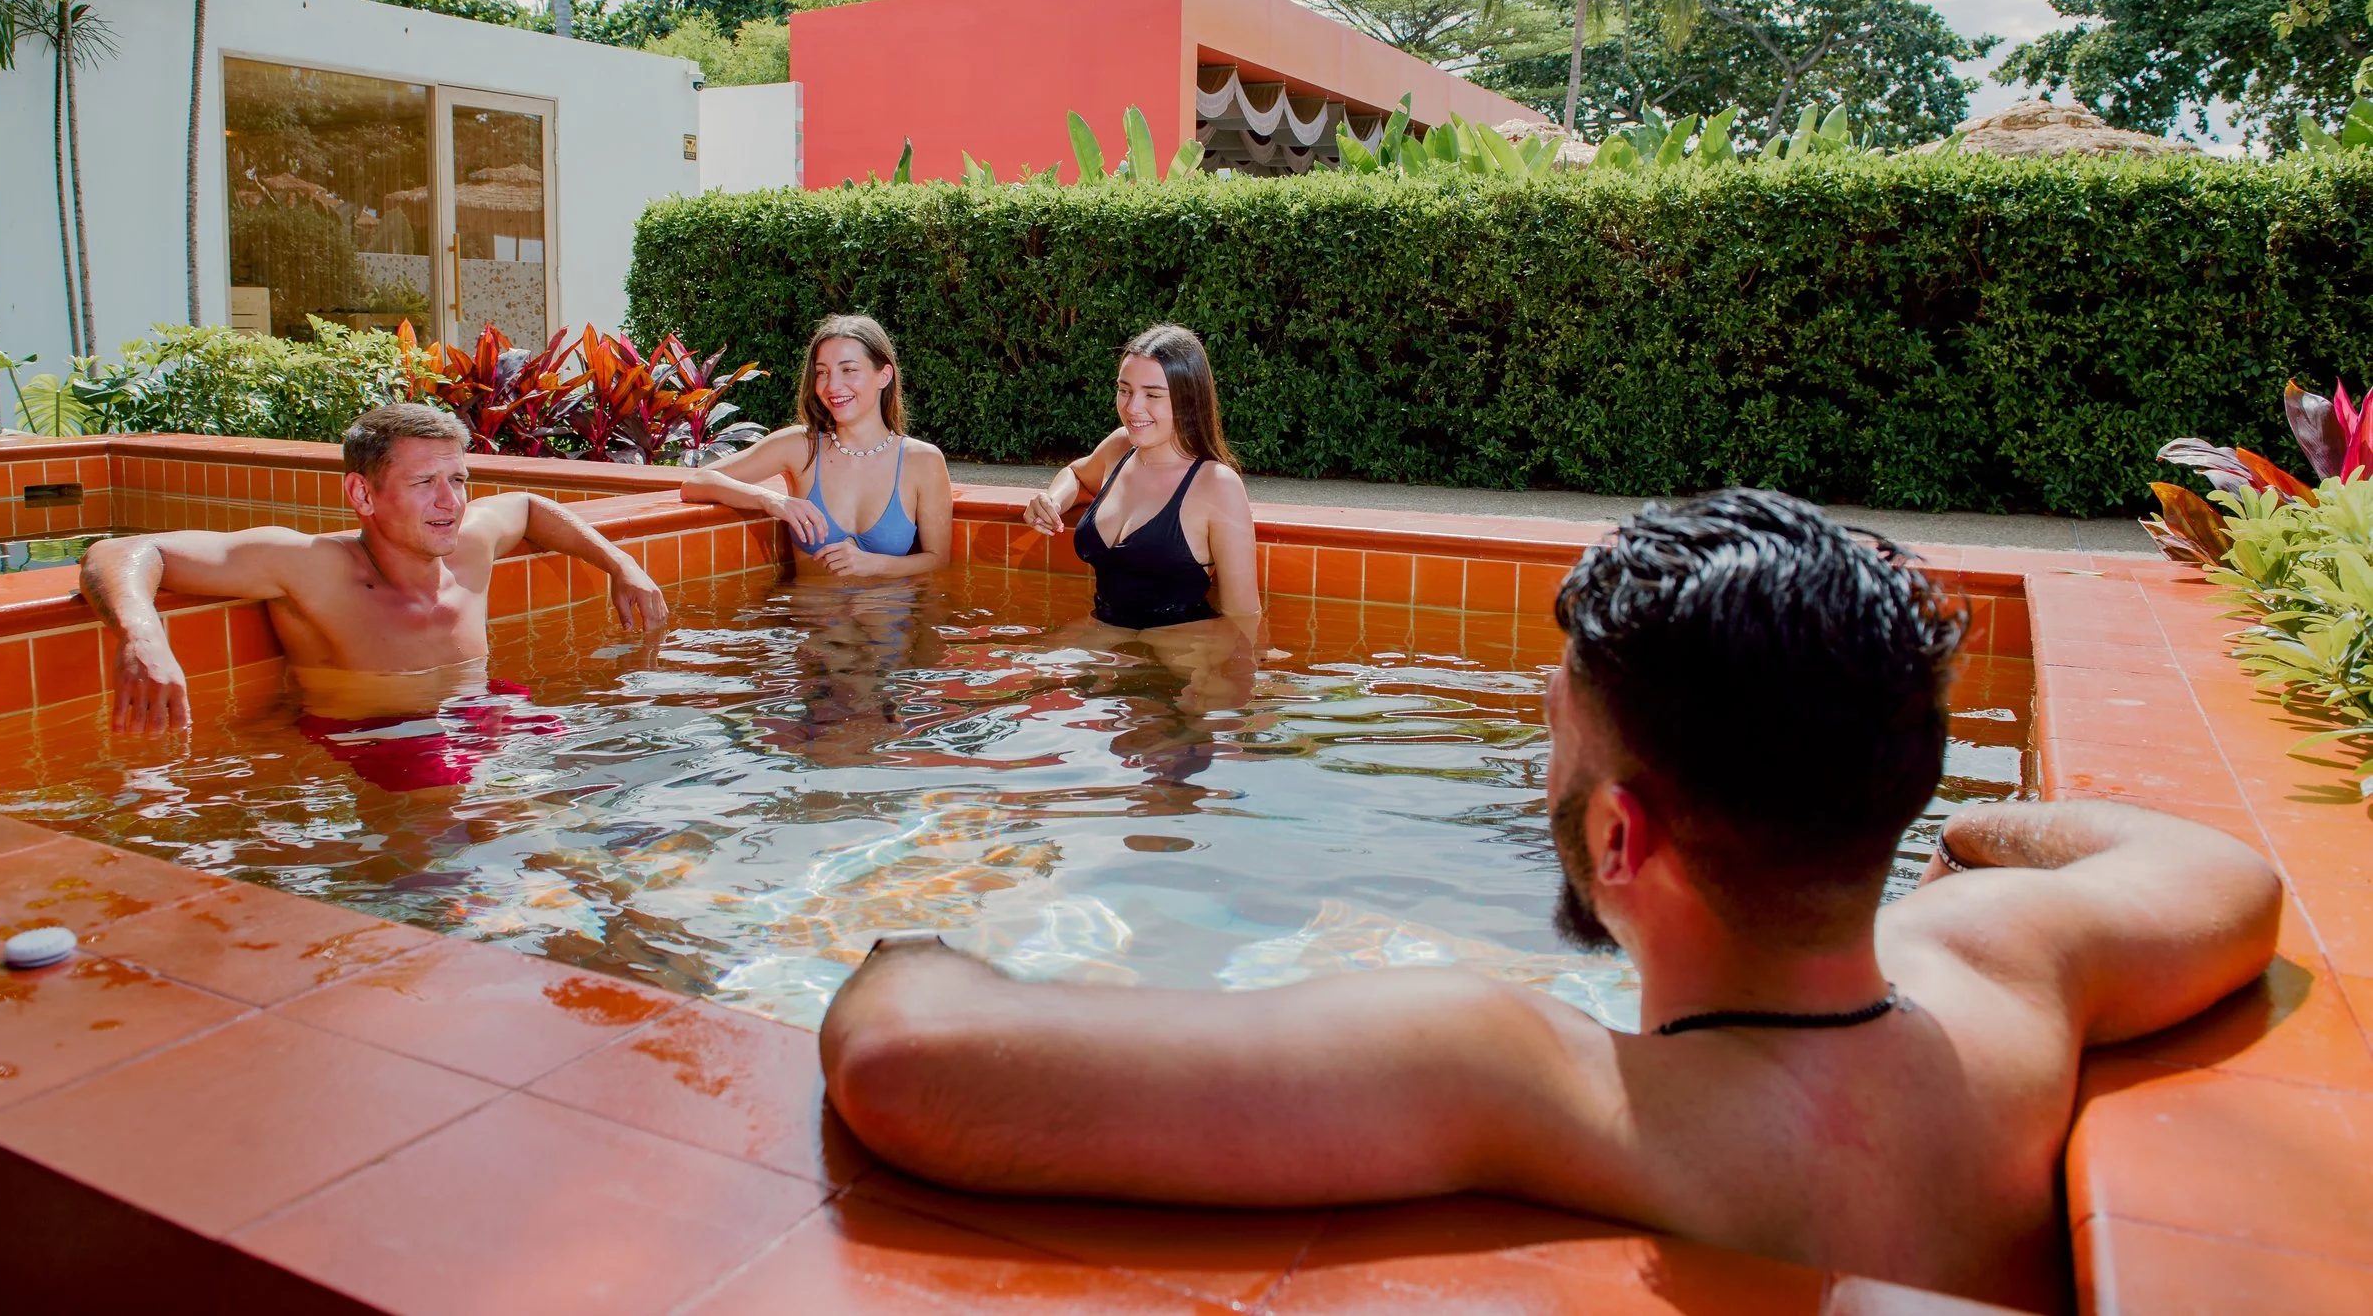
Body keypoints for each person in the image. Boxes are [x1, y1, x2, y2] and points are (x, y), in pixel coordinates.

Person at [816, 489, 2281, 1310]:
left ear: (1623, 842)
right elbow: (2229, 874)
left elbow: (908, 1061)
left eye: (1554, 736)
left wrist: (905, 933)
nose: (1540, 760)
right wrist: (1979, 821)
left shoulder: (1527, 1079)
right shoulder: (2005, 966)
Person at [83, 401, 667, 735]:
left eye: (458, 479)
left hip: (484, 713)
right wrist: (142, 635)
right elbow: (120, 551)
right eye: (424, 484)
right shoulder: (312, 567)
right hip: (381, 742)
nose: (452, 502)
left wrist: (622, 564)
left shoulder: (470, 543)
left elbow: (530, 507)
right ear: (362, 495)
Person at [1021, 324, 1259, 632]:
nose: (1133, 407)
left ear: (1188, 400)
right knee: (1032, 673)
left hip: (1183, 647)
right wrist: (1053, 500)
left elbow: (1244, 615)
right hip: (1106, 630)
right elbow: (1077, 475)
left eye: (1153, 394)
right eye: (1125, 390)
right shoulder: (1120, 447)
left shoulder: (1217, 485)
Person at [682, 313, 952, 580]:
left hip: (888, 620)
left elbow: (938, 561)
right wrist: (772, 500)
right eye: (822, 372)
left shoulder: (922, 461)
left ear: (884, 376)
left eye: (849, 370)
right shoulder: (800, 447)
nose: (832, 386)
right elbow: (697, 482)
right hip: (815, 620)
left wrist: (875, 565)